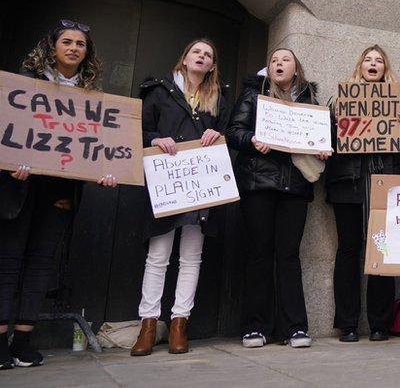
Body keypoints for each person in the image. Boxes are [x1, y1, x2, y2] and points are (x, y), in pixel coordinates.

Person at [0, 20, 117, 369]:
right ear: (52, 47)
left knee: (39, 264)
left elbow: (96, 145)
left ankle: (23, 341)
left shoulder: (89, 96)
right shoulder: (23, 82)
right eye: (67, 42)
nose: (73, 48)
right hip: (18, 186)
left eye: (80, 44)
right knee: (7, 264)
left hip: (58, 192)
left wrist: (104, 170)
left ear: (87, 53)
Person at [129, 39, 231, 356]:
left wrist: (218, 134)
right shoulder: (159, 91)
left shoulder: (218, 97)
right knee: (157, 257)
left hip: (200, 186)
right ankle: (147, 325)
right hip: (166, 184)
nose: (201, 57)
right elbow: (139, 130)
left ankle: (179, 324)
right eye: (196, 52)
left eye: (208, 55)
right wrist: (156, 139)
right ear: (184, 59)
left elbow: (229, 136)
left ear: (212, 66)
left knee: (191, 258)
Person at [226, 48, 330, 349]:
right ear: (268, 69)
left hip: (294, 187)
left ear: (296, 69)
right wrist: (252, 140)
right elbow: (233, 132)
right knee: (259, 254)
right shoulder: (253, 95)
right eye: (273, 60)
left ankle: (295, 328)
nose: (279, 64)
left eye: (285, 60)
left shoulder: (311, 101)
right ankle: (255, 327)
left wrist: (324, 148)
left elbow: (324, 137)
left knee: (288, 256)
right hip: (258, 182)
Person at [326, 45, 400, 342]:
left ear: (385, 68)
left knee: (382, 250)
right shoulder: (339, 100)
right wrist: (333, 126)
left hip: (383, 187)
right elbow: (324, 141)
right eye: (368, 60)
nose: (373, 64)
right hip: (348, 185)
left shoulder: (399, 102)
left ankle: (381, 323)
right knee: (348, 250)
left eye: (379, 60)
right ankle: (348, 324)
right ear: (360, 66)